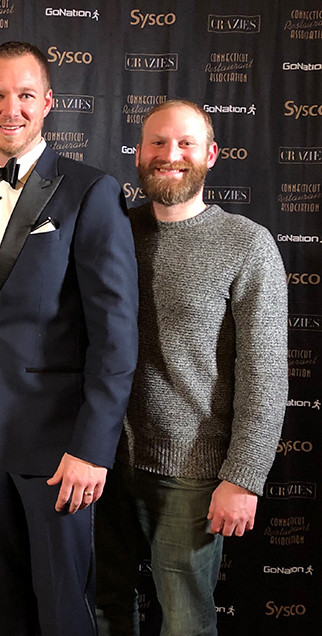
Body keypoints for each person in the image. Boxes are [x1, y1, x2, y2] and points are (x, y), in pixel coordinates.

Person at [0, 41, 139, 636]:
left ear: (49, 102)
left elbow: (115, 335)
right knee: (1, 610)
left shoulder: (90, 191)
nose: (11, 109)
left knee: (64, 613)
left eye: (25, 95)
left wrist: (93, 448)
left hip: (60, 451)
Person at [95, 100, 287, 636]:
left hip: (193, 474)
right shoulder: (112, 233)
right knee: (104, 608)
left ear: (211, 154)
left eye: (185, 144)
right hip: (104, 459)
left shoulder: (247, 244)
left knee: (185, 621)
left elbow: (266, 374)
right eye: (157, 143)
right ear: (139, 153)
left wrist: (243, 477)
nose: (170, 155)